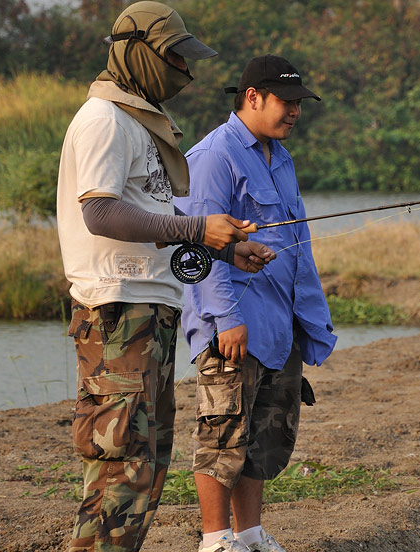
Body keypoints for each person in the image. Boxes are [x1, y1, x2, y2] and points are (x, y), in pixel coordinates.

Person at [56, 1, 273, 552]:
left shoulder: (136, 121)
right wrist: (199, 226)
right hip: (116, 312)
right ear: (139, 54)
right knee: (120, 466)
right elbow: (100, 213)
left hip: (149, 312)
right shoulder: (104, 120)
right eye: (174, 57)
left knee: (145, 465)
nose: (185, 71)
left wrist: (224, 248)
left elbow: (156, 216)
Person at [177, 54, 337, 552]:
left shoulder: (281, 157)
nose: (294, 112)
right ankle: (214, 539)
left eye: (298, 104)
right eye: (286, 102)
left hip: (278, 325)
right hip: (232, 326)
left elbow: (299, 246)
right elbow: (196, 249)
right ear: (252, 98)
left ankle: (248, 534)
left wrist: (311, 321)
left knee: (263, 439)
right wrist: (226, 318)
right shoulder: (212, 157)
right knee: (221, 435)